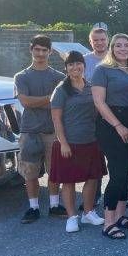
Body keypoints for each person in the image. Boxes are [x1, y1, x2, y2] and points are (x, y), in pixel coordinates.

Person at [92, 33, 128, 239]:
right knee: (118, 171)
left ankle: (121, 215)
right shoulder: (102, 70)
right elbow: (99, 102)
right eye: (118, 46)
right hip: (110, 125)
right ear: (112, 48)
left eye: (127, 46)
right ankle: (108, 222)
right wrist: (119, 126)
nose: (123, 49)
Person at [49, 51, 106, 233]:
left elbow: (98, 112)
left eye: (78, 63)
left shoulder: (91, 87)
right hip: (69, 144)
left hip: (91, 141)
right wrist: (63, 143)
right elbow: (56, 120)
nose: (75, 67)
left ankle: (88, 213)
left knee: (93, 178)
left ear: (84, 65)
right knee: (69, 181)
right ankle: (72, 216)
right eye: (71, 64)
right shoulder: (61, 90)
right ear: (66, 68)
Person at [15, 35, 66, 224]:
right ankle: (33, 207)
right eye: (37, 49)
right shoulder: (21, 76)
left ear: (50, 52)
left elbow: (62, 103)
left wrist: (42, 101)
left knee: (54, 171)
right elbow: (26, 101)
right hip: (29, 131)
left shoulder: (59, 77)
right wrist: (50, 98)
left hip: (53, 131)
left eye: (44, 50)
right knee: (30, 172)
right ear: (31, 50)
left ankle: (54, 205)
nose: (40, 53)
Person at [83, 27, 108, 208]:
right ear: (90, 42)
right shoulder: (84, 62)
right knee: (94, 160)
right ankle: (94, 196)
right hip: (92, 119)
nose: (99, 43)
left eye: (102, 39)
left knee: (116, 160)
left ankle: (117, 195)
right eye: (95, 40)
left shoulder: (116, 58)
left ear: (107, 40)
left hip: (115, 116)